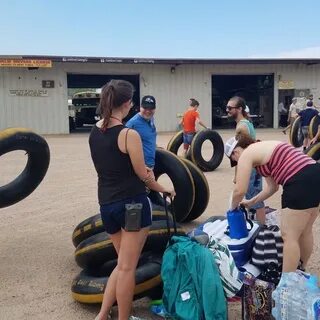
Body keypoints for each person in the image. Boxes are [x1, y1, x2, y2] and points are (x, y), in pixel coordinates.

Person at [89, 80, 175, 320]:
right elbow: (144, 176)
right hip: (132, 206)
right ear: (127, 104)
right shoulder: (129, 134)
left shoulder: (95, 132)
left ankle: (103, 314)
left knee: (121, 264)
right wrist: (164, 188)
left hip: (107, 206)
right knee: (128, 268)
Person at [224, 134, 320, 273]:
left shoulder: (247, 153)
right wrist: (251, 202)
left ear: (236, 152)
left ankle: (286, 286)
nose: (238, 163)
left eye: (235, 160)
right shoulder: (263, 149)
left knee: (289, 236)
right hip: (314, 172)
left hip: (298, 180)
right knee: (305, 231)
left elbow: (239, 190)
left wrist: (232, 207)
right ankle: (301, 270)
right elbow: (272, 187)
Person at [226, 96, 266, 224]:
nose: (227, 110)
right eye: (227, 107)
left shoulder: (241, 127)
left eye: (230, 108)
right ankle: (259, 227)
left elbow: (241, 154)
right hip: (254, 167)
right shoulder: (246, 123)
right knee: (255, 198)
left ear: (239, 109)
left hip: (251, 168)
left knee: (256, 200)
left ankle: (261, 230)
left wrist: (238, 175)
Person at [126, 95, 157, 169]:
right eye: (145, 108)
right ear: (140, 107)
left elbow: (148, 138)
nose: (148, 111)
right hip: (140, 168)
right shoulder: (132, 124)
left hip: (150, 164)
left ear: (155, 109)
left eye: (151, 108)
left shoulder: (151, 119)